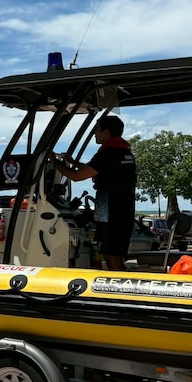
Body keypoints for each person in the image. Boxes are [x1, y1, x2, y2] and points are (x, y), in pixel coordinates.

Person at [54, 115, 136, 271]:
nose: (94, 133)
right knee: (117, 254)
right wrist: (73, 162)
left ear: (106, 132)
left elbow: (77, 177)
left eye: (96, 129)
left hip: (111, 210)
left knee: (110, 254)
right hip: (124, 210)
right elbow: (97, 169)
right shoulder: (124, 152)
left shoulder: (108, 153)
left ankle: (116, 290)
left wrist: (54, 161)